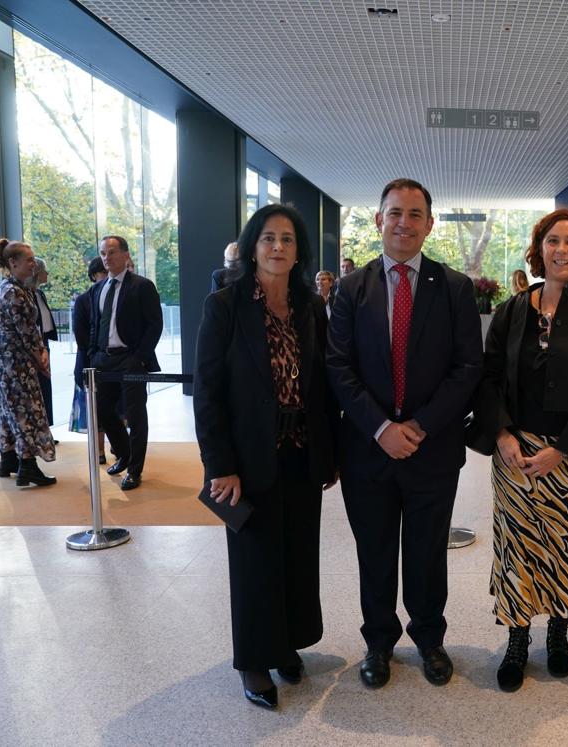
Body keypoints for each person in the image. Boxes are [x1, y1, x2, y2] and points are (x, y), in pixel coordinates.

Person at [327, 178, 483, 690]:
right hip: (367, 451)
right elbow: (338, 366)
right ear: (378, 221)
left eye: (415, 214)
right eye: (395, 213)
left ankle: (430, 639)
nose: (404, 223)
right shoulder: (351, 289)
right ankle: (377, 642)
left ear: (429, 224)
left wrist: (416, 426)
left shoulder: (455, 287)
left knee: (426, 550)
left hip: (432, 448)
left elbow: (466, 368)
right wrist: (380, 428)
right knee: (373, 551)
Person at [193, 203, 340, 710]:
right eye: (269, 238)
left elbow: (323, 387)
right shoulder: (226, 305)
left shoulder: (310, 306)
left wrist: (331, 454)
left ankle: (287, 644)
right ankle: (255, 659)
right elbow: (207, 392)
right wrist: (220, 467)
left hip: (301, 451)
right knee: (256, 559)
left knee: (298, 553)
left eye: (288, 240)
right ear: (253, 246)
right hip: (249, 457)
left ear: (300, 252)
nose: (278, 247)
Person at [474, 208, 568, 692]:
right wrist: (501, 435)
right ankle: (517, 639)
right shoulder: (513, 308)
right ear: (539, 249)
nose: (562, 250)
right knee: (520, 546)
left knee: (566, 544)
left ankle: (558, 633)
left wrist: (562, 450)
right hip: (517, 451)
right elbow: (489, 377)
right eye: (553, 241)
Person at [88, 235, 163, 491]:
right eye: (102, 253)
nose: (106, 258)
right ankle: (124, 453)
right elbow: (94, 325)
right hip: (103, 360)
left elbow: (155, 325)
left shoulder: (142, 286)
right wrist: (92, 354)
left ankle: (135, 470)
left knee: (135, 415)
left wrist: (139, 357)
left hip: (130, 359)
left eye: (111, 252)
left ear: (125, 255)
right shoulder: (98, 289)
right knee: (102, 411)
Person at [0, 239, 56, 487]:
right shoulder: (15, 293)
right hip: (16, 362)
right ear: (13, 263)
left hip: (5, 359)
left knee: (9, 409)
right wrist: (42, 360)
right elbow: (28, 334)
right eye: (29, 260)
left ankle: (7, 459)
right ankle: (27, 465)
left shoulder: (8, 288)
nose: (33, 264)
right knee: (27, 410)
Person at [71, 256, 109, 462]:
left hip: (110, 363)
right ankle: (99, 450)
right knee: (94, 410)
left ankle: (117, 446)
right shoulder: (84, 300)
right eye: (104, 272)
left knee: (114, 409)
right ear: (94, 275)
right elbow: (81, 335)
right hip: (89, 362)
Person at [28, 258, 58, 425]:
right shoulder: (26, 295)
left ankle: (45, 427)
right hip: (34, 346)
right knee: (37, 387)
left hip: (44, 343)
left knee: (45, 386)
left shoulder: (39, 294)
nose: (47, 274)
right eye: (44, 271)